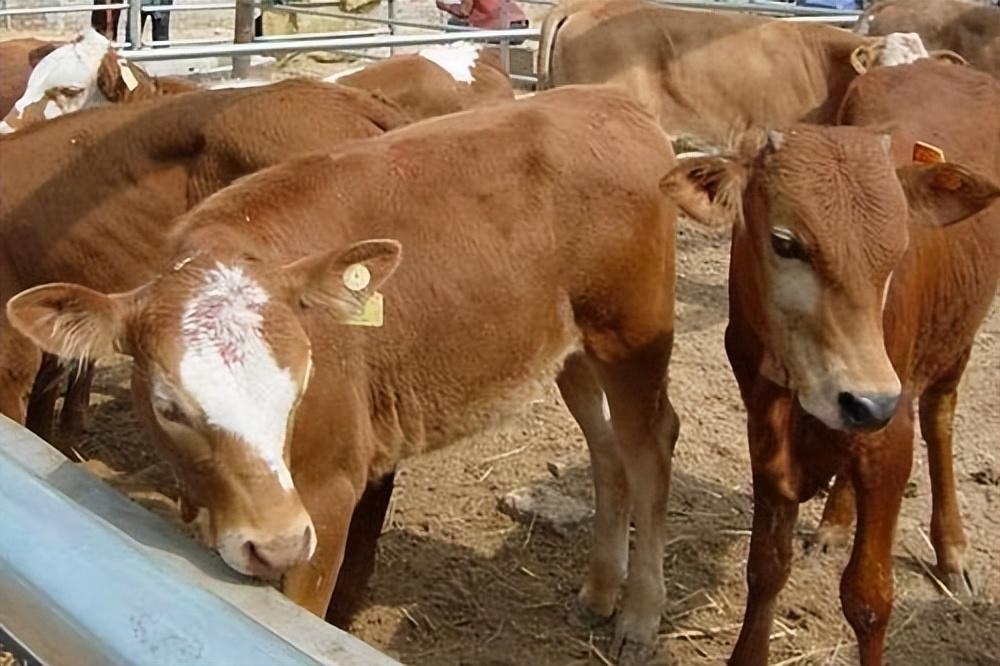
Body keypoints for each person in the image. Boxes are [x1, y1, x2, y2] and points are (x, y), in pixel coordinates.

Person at [435, 0, 528, 33]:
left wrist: (445, 6)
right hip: (520, 25)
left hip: (498, 26)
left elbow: (464, 12)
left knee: (453, 24)